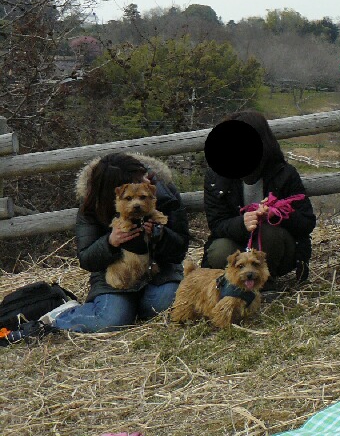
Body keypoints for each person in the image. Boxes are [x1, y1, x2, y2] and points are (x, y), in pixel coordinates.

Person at [49, 152, 189, 333]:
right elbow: (86, 259)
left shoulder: (164, 192)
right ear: (115, 192)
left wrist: (161, 236)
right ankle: (61, 316)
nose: (145, 181)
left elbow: (180, 249)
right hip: (116, 279)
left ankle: (134, 308)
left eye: (143, 177)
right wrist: (109, 242)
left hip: (160, 273)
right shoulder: (93, 204)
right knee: (111, 320)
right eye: (131, 194)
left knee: (166, 305)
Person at [202, 110, 316, 283]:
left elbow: (307, 222)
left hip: (278, 249)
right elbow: (216, 224)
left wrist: (277, 214)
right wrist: (242, 223)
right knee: (219, 250)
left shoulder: (285, 174)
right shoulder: (215, 178)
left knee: (267, 232)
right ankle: (235, 284)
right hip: (238, 245)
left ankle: (266, 282)